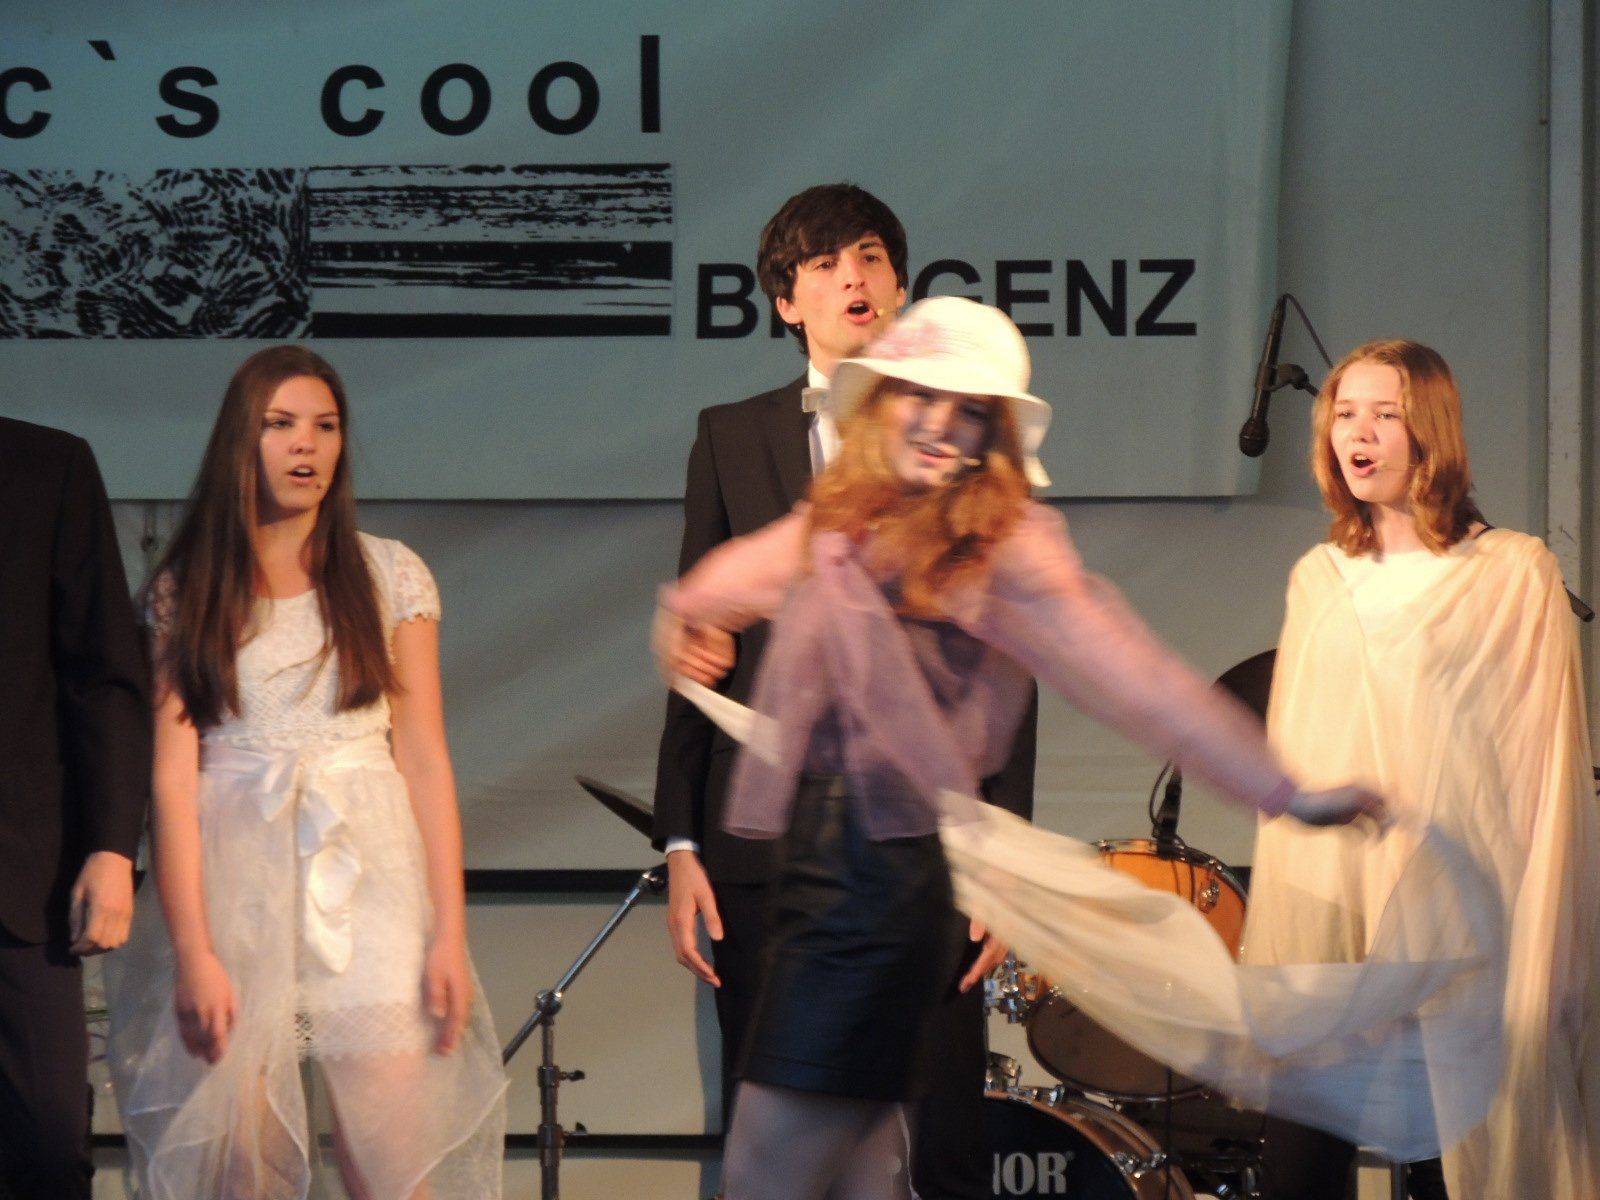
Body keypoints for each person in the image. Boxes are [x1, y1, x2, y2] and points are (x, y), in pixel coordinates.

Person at [655, 296, 1385, 1200]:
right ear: (881, 405)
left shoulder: (1004, 551)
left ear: (993, 437)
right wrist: (693, 626)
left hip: (881, 887)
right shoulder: (844, 521)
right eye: (921, 397)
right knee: (856, 1168)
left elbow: (1142, 684)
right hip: (823, 874)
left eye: (969, 411)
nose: (939, 425)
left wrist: (1288, 793)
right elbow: (719, 584)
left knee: (774, 1168)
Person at [653, 183, 1037, 1198]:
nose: (852, 278)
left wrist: (1004, 857)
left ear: (901, 286)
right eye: (823, 265)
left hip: (929, 846)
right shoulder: (731, 436)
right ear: (787, 301)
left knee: (941, 1142)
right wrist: (680, 840)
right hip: (764, 847)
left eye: (869, 257)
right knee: (781, 1152)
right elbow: (699, 651)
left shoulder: (961, 428)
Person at [105, 346, 506, 1199]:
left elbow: (425, 759)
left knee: (391, 1165)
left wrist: (447, 932)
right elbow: (171, 781)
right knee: (243, 1165)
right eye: (281, 424)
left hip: (369, 884)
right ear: (240, 441)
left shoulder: (388, 573)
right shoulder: (188, 590)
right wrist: (195, 952)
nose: (306, 445)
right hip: (235, 890)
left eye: (325, 427)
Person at [1241, 339, 1600, 1200]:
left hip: (1458, 924)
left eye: (1385, 414)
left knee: (1454, 1165)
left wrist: (1544, 946)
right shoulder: (1321, 577)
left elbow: (1541, 773)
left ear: (1429, 431)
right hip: (1334, 922)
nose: (1357, 433)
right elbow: (1295, 760)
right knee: (1298, 1169)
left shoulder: (1513, 572)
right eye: (1344, 414)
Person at [0, 418, 150, 1199]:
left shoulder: (43, 465)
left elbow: (103, 672)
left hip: (16, 874)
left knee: (50, 1143)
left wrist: (111, 844)